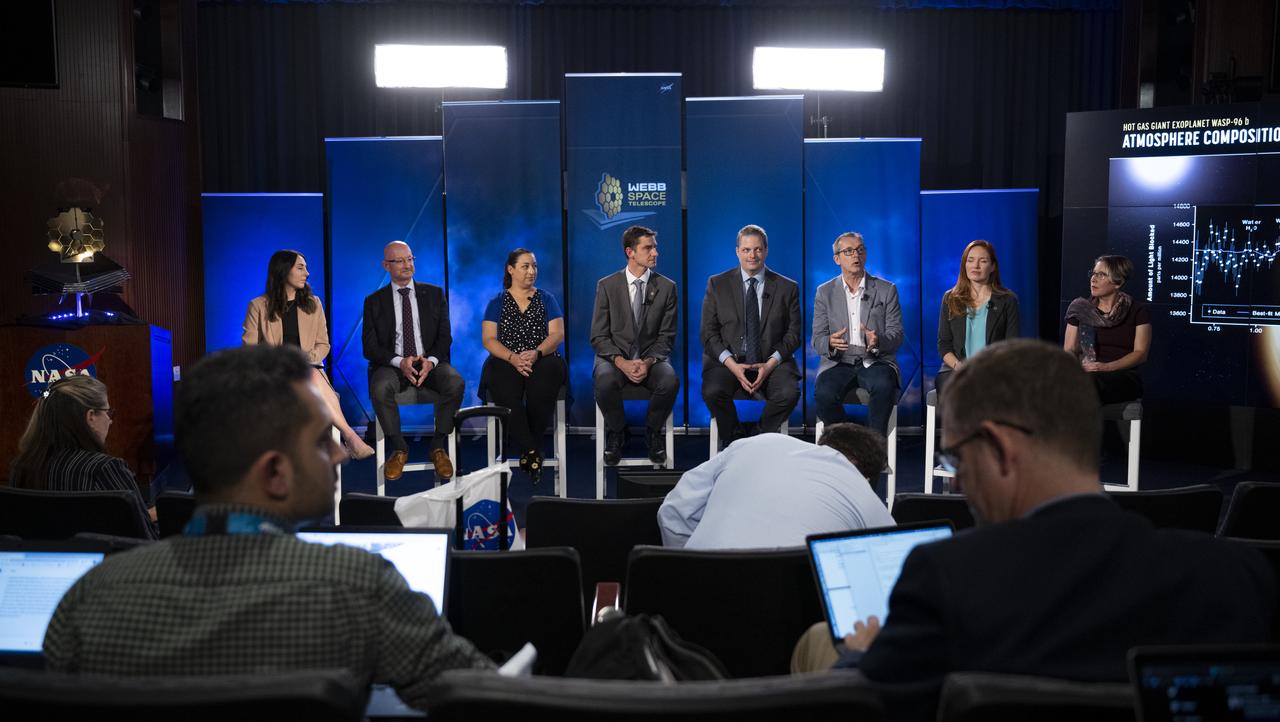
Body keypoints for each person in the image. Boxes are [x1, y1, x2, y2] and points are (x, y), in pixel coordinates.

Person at [794, 339, 1274, 682]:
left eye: (957, 456)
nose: (956, 479)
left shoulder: (943, 581)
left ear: (1001, 449)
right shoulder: (1238, 580)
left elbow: (872, 703)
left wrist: (859, 655)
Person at [43, 345, 495, 708]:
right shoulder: (360, 588)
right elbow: (490, 699)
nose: (339, 454)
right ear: (275, 473)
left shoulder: (87, 601)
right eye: (323, 441)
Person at [658, 424, 894, 550]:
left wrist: (689, 564)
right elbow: (895, 567)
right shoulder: (863, 494)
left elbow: (674, 511)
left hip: (692, 608)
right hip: (791, 622)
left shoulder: (758, 443)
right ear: (864, 474)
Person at [243, 249, 374, 460]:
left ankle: (348, 437)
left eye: (306, 267)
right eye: (301, 267)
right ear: (283, 271)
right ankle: (347, 438)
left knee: (311, 374)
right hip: (274, 373)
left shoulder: (314, 304)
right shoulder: (258, 306)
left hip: (308, 367)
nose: (307, 273)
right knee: (309, 378)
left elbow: (323, 344)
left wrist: (305, 359)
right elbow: (249, 350)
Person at [363, 241, 465, 481]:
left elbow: (445, 336)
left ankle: (438, 447)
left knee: (455, 383)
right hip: (393, 364)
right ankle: (399, 448)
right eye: (400, 261)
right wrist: (400, 362)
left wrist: (430, 361)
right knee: (379, 387)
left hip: (429, 362)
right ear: (386, 265)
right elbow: (370, 347)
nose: (408, 265)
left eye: (410, 259)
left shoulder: (435, 293)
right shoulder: (374, 301)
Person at [8, 375, 157, 539]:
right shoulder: (104, 468)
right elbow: (145, 538)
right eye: (108, 412)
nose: (110, 420)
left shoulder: (20, 467)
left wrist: (147, 514)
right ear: (91, 416)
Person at [699, 224, 802, 447]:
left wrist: (770, 364)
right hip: (730, 361)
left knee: (789, 393)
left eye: (757, 249)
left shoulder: (787, 287)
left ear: (766, 251)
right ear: (737, 251)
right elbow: (708, 333)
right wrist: (733, 366)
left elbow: (794, 335)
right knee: (712, 391)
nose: (752, 255)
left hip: (772, 360)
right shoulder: (717, 284)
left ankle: (758, 438)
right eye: (746, 250)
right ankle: (734, 438)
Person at [590, 225, 680, 466]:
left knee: (669, 380)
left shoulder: (667, 287)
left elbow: (667, 336)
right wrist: (622, 362)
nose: (655, 253)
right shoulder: (607, 286)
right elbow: (598, 336)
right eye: (648, 248)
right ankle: (618, 431)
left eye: (655, 248)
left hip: (651, 358)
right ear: (630, 252)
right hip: (615, 358)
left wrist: (648, 362)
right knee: (605, 381)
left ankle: (652, 433)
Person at [480, 248, 567, 484]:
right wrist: (513, 358)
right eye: (525, 266)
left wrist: (536, 353)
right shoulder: (497, 301)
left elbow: (557, 334)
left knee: (543, 382)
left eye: (534, 266)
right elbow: (488, 339)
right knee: (503, 383)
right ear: (511, 269)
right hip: (506, 358)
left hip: (542, 357)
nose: (532, 271)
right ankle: (531, 450)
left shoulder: (547, 298)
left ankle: (528, 449)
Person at [812, 232, 904, 438]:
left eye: (860, 250)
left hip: (875, 361)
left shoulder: (886, 289)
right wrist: (829, 342)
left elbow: (897, 334)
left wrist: (878, 340)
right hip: (838, 363)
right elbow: (817, 339)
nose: (856, 255)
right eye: (849, 251)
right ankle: (850, 444)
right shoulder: (824, 292)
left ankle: (873, 449)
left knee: (883, 385)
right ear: (837, 259)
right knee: (824, 394)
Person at [934, 239, 1020, 408]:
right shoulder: (950, 299)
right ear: (964, 265)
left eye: (983, 261)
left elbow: (1011, 346)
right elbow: (944, 345)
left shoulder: (1008, 300)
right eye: (970, 260)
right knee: (952, 390)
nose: (976, 266)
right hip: (956, 368)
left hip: (993, 369)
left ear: (993, 266)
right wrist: (960, 367)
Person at [1063, 254, 1152, 404]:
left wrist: (1107, 367)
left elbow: (1140, 353)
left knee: (1088, 384)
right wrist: (1077, 370)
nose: (1093, 279)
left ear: (1118, 282)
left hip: (1123, 375)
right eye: (1093, 273)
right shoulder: (1079, 309)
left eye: (1102, 275)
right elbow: (1070, 349)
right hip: (1086, 372)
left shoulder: (1138, 311)